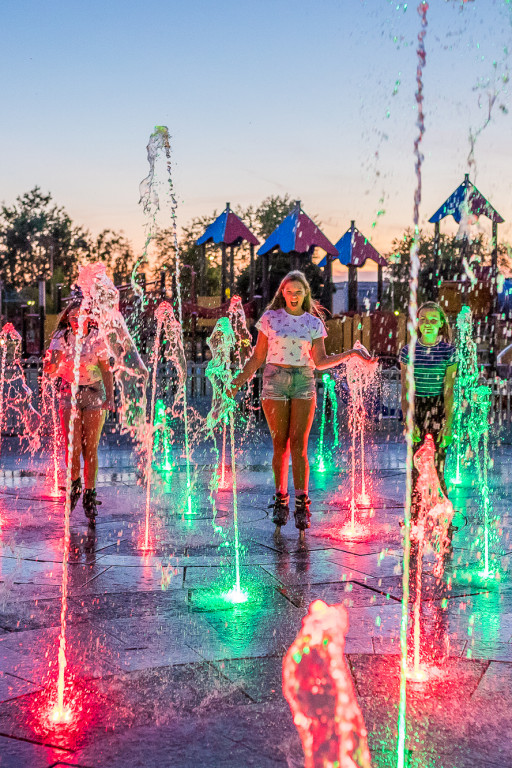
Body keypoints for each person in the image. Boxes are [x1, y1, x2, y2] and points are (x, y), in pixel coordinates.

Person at [229, 270, 372, 537]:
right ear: (282, 293)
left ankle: (302, 503)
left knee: (299, 445)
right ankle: (281, 498)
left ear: (305, 294)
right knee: (279, 444)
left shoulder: (313, 323)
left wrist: (351, 353)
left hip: (304, 381)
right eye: (289, 291)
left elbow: (319, 361)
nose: (294, 296)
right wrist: (237, 382)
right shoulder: (270, 319)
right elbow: (258, 357)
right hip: (274, 380)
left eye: (298, 292)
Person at [43, 292, 115, 524]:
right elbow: (52, 368)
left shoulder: (97, 338)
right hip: (69, 393)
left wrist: (111, 398)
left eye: (81, 316)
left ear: (89, 318)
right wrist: (49, 366)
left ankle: (89, 494)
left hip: (94, 392)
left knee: (90, 447)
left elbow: (106, 370)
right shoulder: (61, 337)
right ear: (68, 319)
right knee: (72, 445)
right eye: (72, 317)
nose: (76, 321)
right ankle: (74, 484)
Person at [400, 301, 457, 514]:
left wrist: (448, 424)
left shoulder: (448, 352)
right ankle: (415, 517)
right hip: (418, 409)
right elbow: (406, 390)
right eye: (423, 319)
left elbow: (449, 391)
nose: (428, 324)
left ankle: (443, 516)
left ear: (441, 323)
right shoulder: (408, 352)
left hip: (439, 408)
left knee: (438, 468)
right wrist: (409, 421)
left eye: (433, 320)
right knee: (416, 468)